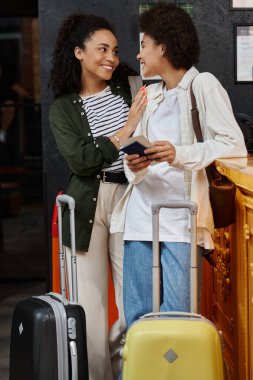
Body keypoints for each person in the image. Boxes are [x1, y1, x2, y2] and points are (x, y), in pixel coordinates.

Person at [110, 2, 247, 330]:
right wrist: (135, 163)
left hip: (180, 221)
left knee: (178, 320)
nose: (139, 55)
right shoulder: (149, 95)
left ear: (164, 46)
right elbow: (136, 168)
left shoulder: (203, 86)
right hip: (140, 219)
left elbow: (234, 146)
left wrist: (177, 154)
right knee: (137, 322)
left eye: (144, 45)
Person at [48, 12, 147, 380]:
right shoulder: (63, 108)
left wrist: (130, 138)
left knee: (132, 300)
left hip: (130, 196)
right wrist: (125, 131)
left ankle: (127, 373)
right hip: (87, 203)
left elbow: (146, 134)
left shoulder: (127, 86)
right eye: (101, 49)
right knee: (88, 307)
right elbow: (82, 160)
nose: (111, 57)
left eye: (115, 50)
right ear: (78, 52)